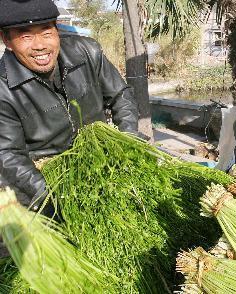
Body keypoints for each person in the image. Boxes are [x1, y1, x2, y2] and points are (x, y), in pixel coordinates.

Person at [0, 0, 140, 211]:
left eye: (47, 33)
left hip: (106, 166)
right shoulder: (3, 88)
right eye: (26, 36)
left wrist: (127, 144)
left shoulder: (87, 52)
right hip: (49, 184)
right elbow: (8, 155)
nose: (40, 45)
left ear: (57, 31)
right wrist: (59, 198)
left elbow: (121, 96)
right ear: (7, 40)